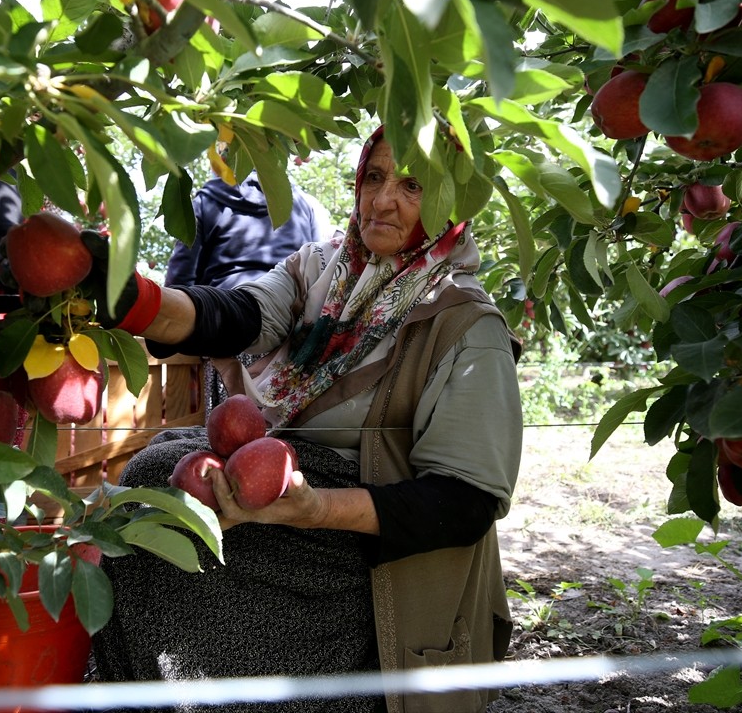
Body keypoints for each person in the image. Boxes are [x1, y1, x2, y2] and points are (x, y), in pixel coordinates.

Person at [86, 125, 524, 713]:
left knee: (162, 516)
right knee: (149, 485)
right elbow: (235, 315)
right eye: (374, 177)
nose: (382, 199)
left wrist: (315, 509)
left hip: (361, 562)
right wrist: (125, 293)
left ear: (451, 204)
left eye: (413, 185)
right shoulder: (322, 270)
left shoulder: (465, 324)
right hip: (278, 512)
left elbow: (463, 502)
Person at [164, 165, 337, 290]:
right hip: (288, 319)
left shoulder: (205, 202)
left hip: (222, 314)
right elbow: (319, 271)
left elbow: (180, 278)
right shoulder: (306, 205)